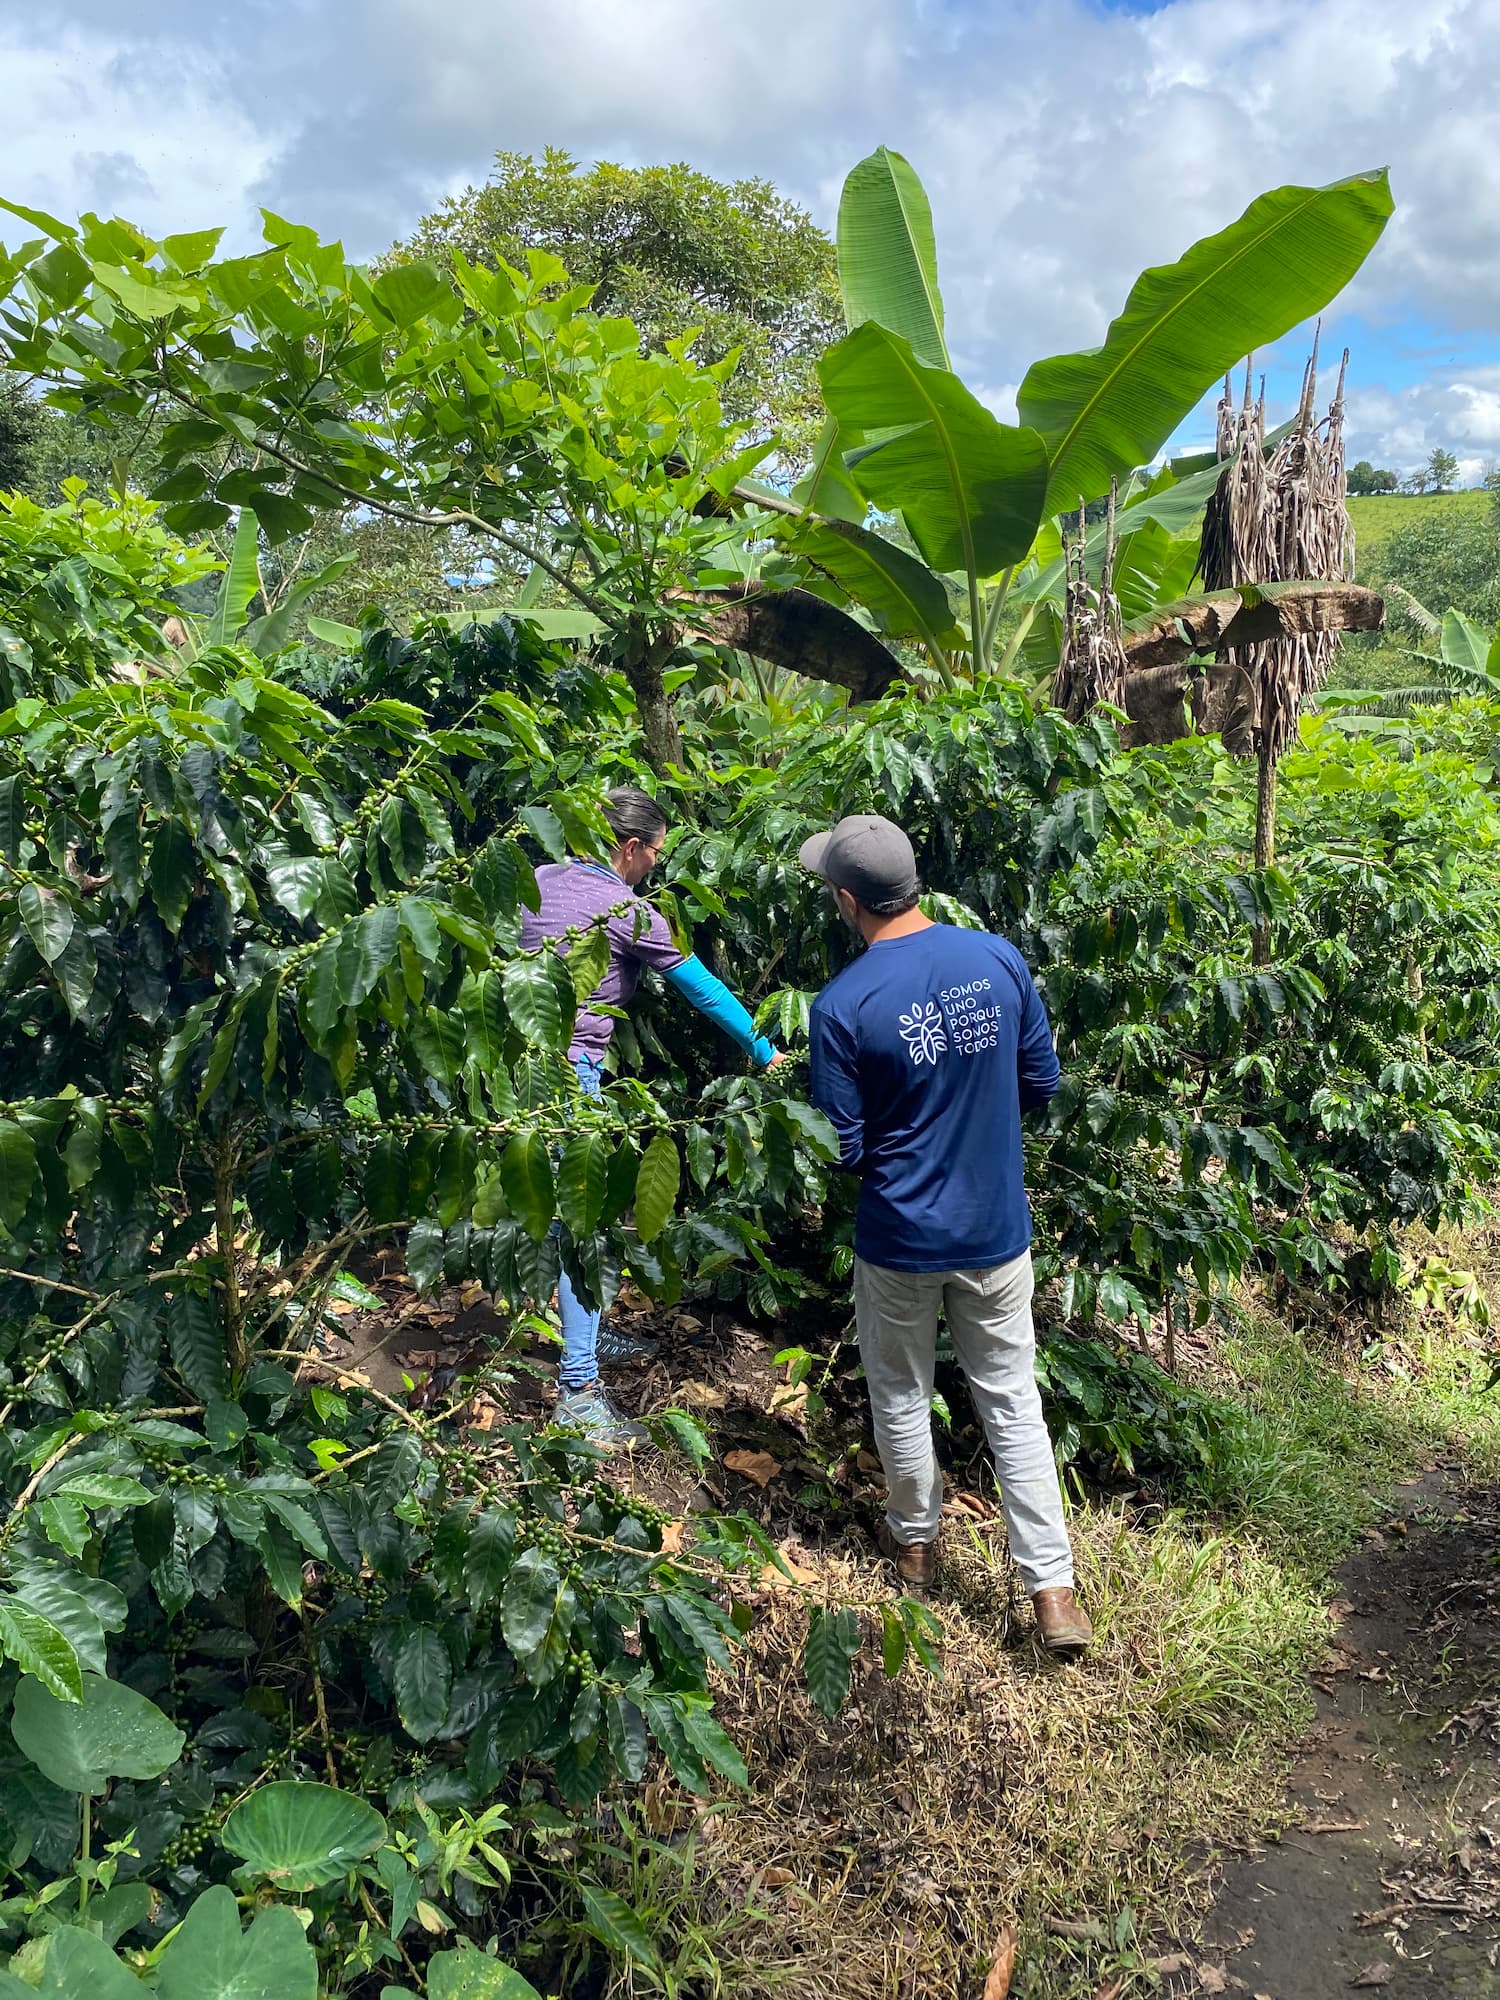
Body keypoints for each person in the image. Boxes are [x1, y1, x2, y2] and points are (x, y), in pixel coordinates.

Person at [800, 813, 1091, 1653]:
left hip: (898, 1240)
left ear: (848, 901)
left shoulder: (843, 1004)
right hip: (998, 1232)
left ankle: (916, 1546)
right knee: (1012, 1398)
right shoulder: (996, 958)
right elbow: (1041, 1080)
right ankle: (1052, 1592)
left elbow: (845, 1147)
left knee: (899, 1389)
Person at [520, 787, 781, 1447]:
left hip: (505, 1072)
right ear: (629, 849)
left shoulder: (533, 879)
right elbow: (704, 990)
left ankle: (576, 1328)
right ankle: (578, 1392)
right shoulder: (625, 910)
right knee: (583, 1224)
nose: (655, 869)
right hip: (566, 1076)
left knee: (553, 1215)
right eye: (655, 855)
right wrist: (767, 1052)